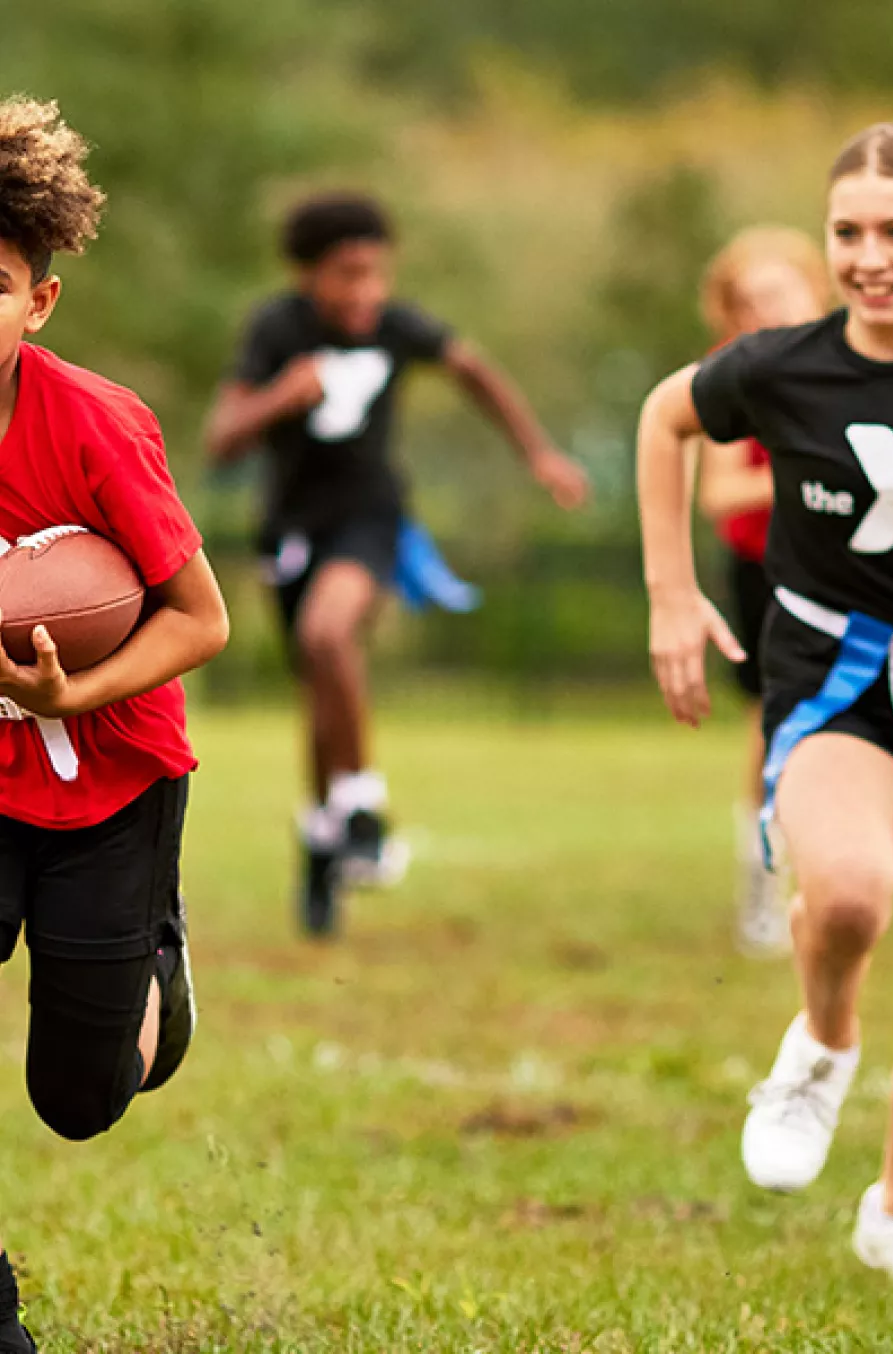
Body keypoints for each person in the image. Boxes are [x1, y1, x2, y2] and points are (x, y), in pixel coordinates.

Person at [638, 121, 893, 1299]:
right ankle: (822, 1040)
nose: (868, 257)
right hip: (829, 668)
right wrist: (672, 594)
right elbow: (661, 416)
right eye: (847, 232)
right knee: (843, 894)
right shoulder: (783, 363)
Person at [0, 98, 229, 1350]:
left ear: (37, 303)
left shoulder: (92, 421)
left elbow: (202, 619)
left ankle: (155, 963)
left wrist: (66, 691)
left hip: (108, 771)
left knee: (80, 1100)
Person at [205, 193, 588, 934]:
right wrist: (282, 397)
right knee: (320, 689)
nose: (366, 293)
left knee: (329, 636)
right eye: (348, 275)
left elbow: (476, 372)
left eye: (377, 274)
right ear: (307, 275)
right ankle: (326, 837)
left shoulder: (398, 327)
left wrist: (538, 452)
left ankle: (362, 807)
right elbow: (222, 437)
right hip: (291, 531)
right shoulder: (276, 329)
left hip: (372, 520)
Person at [697, 228, 830, 954]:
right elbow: (720, 493)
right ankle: (763, 875)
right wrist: (822, 466)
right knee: (772, 723)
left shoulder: (860, 363)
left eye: (777, 293)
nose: (765, 312)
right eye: (747, 302)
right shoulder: (731, 379)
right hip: (767, 571)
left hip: (853, 566)